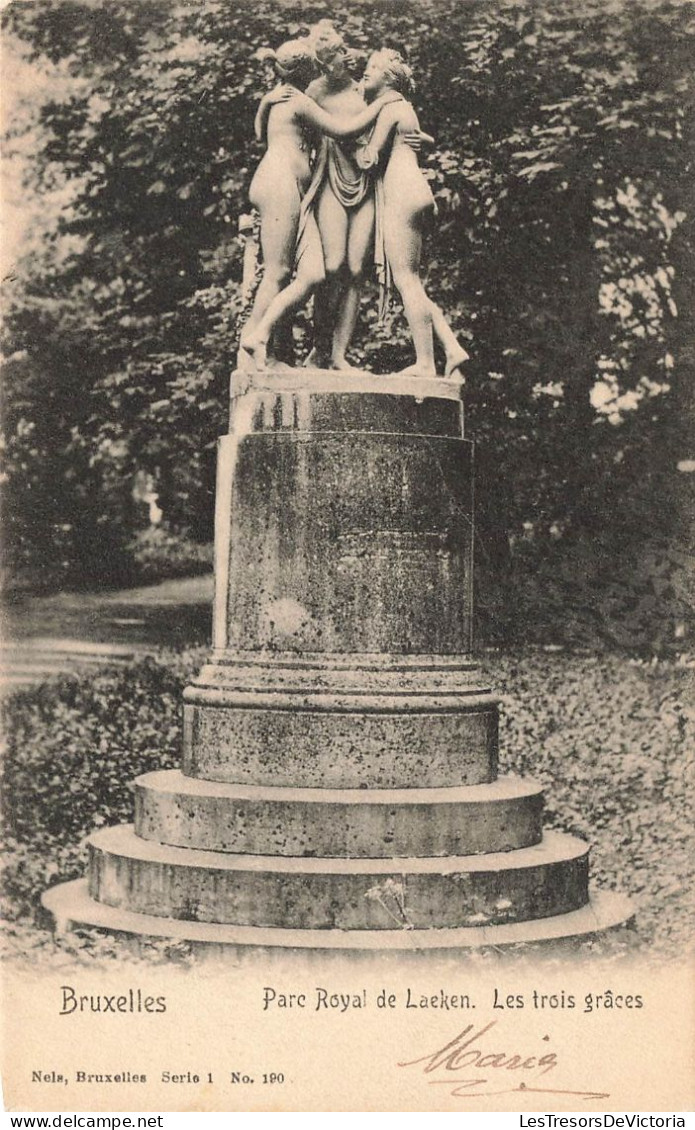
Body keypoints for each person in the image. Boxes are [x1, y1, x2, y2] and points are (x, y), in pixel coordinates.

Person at [239, 37, 400, 371]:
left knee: (314, 272)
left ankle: (269, 343)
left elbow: (260, 132)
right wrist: (386, 103)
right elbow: (343, 129)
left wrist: (266, 103)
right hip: (286, 186)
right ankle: (253, 349)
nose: (346, 57)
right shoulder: (301, 98)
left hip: (299, 188)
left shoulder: (291, 97)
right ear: (314, 68)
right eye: (331, 57)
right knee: (283, 271)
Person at [357, 49, 469, 377]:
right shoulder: (405, 108)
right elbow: (416, 137)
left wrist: (344, 141)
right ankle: (451, 347)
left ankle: (424, 363)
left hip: (402, 192)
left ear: (390, 80)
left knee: (407, 280)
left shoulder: (389, 106)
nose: (367, 71)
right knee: (413, 281)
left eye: (374, 67)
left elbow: (370, 157)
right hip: (416, 189)